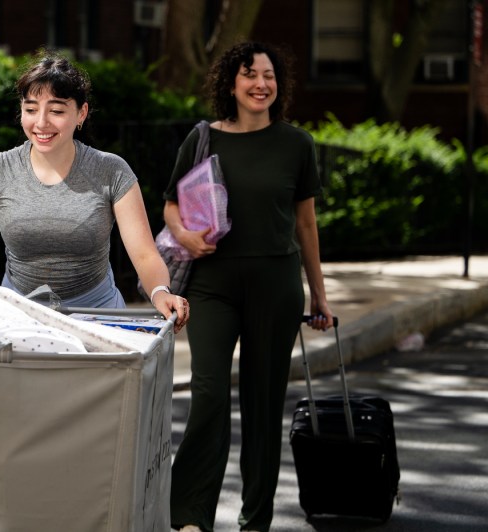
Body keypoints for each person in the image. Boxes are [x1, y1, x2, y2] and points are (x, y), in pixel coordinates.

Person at [166, 41, 334, 532]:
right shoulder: (203, 138)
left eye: (269, 76)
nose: (261, 84)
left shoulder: (296, 144)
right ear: (230, 84)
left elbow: (306, 225)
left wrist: (319, 294)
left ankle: (255, 521)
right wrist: (183, 235)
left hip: (276, 287)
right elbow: (171, 205)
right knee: (210, 394)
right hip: (212, 286)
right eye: (249, 75)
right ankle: (190, 517)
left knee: (263, 408)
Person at [0, 51, 189, 331]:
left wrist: (160, 292)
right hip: (19, 317)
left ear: (81, 113)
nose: (41, 123)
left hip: (97, 317)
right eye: (30, 109)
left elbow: (144, 255)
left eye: (56, 110)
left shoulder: (111, 171)